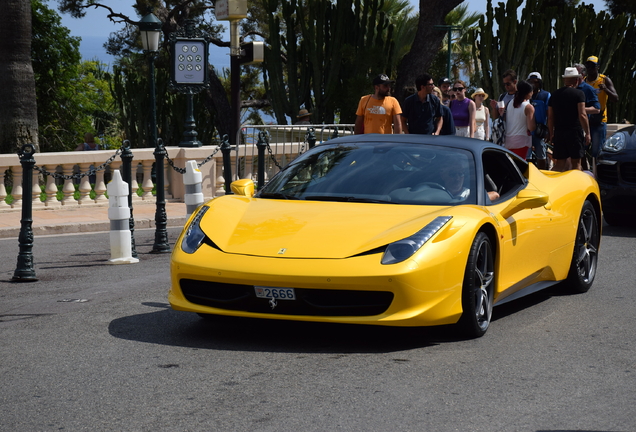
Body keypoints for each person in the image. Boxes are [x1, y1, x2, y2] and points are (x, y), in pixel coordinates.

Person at [548, 67, 591, 172]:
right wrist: (588, 133)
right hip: (574, 132)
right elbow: (582, 115)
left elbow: (550, 116)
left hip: (559, 132)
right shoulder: (579, 94)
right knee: (576, 165)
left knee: (559, 164)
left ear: (564, 80)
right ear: (576, 80)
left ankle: (550, 184)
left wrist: (550, 133)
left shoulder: (554, 95)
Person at [584, 55, 619, 159]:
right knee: (581, 150)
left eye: (593, 66)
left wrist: (606, 90)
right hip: (586, 120)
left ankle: (597, 173)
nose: (590, 68)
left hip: (599, 120)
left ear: (598, 67)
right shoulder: (584, 82)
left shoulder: (604, 80)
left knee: (597, 152)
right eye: (588, 66)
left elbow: (615, 98)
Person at [504, 80, 536, 159]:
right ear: (528, 92)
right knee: (519, 167)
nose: (532, 93)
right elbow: (531, 127)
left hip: (508, 140)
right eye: (531, 91)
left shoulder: (509, 103)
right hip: (521, 141)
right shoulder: (528, 107)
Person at [526, 72, 550, 169]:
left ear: (539, 83)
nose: (533, 84)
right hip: (526, 130)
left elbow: (549, 114)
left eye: (535, 82)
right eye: (530, 82)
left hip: (540, 130)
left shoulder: (545, 95)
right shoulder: (525, 96)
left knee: (541, 154)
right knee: (527, 156)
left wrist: (549, 131)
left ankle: (542, 173)